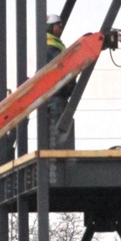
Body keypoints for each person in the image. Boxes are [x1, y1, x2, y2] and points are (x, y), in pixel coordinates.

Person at [45, 14, 75, 150]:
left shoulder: (54, 44)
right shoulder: (51, 47)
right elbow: (65, 66)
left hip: (57, 96)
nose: (61, 28)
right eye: (58, 25)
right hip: (56, 97)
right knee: (58, 131)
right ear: (51, 27)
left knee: (57, 130)